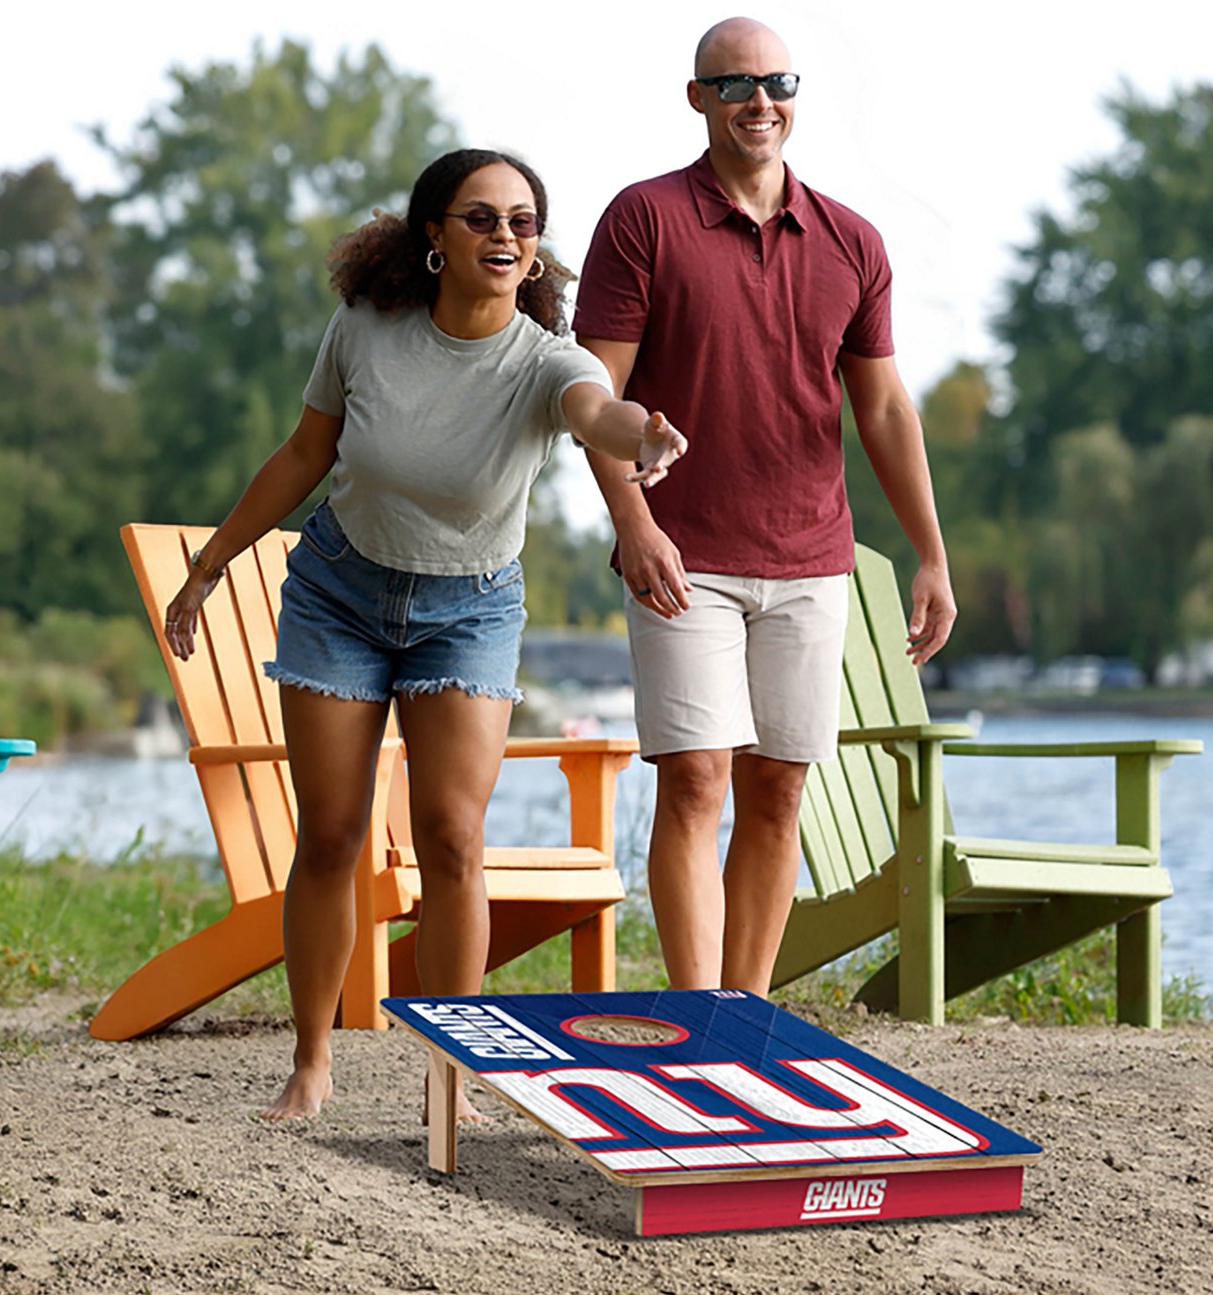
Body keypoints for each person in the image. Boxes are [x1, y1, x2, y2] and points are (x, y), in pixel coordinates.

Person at [162, 148, 688, 1121]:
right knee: (331, 833)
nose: (504, 235)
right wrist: (214, 561)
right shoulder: (367, 329)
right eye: (481, 218)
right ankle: (312, 1061)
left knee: (453, 837)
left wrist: (641, 437)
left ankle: (452, 1074)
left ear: (535, 252)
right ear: (435, 238)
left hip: (470, 610)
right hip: (339, 596)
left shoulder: (546, 359)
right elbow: (305, 453)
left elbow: (595, 414)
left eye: (522, 223)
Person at [573, 18, 956, 996]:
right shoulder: (642, 219)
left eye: (776, 81)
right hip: (683, 553)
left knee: (778, 788)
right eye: (735, 84)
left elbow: (882, 406)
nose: (759, 100)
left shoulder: (852, 242)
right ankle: (700, 1014)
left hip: (811, 556)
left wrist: (929, 554)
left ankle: (745, 1013)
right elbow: (592, 398)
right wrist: (635, 524)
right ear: (697, 97)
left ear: (794, 94)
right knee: (696, 777)